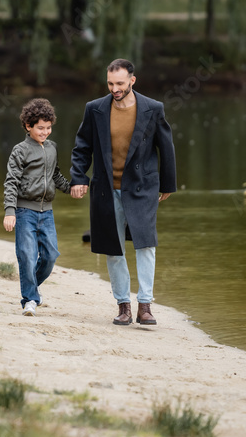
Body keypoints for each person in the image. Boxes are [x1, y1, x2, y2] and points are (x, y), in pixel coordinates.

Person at [70, 58, 177, 326]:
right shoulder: (94, 109)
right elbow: (82, 146)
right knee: (113, 248)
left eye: (119, 83)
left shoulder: (153, 108)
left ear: (132, 80)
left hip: (143, 186)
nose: (114, 88)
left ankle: (145, 305)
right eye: (110, 83)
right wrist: (78, 177)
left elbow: (166, 148)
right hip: (106, 188)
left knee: (146, 244)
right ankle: (123, 306)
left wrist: (167, 184)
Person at [3, 98, 71, 316]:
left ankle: (31, 287)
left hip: (47, 212)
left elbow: (55, 175)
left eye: (48, 128)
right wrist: (10, 211)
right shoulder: (20, 150)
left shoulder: (52, 148)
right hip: (24, 212)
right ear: (28, 126)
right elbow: (11, 181)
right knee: (27, 255)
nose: (45, 132)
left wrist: (70, 189)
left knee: (50, 255)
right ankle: (30, 299)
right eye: (40, 128)